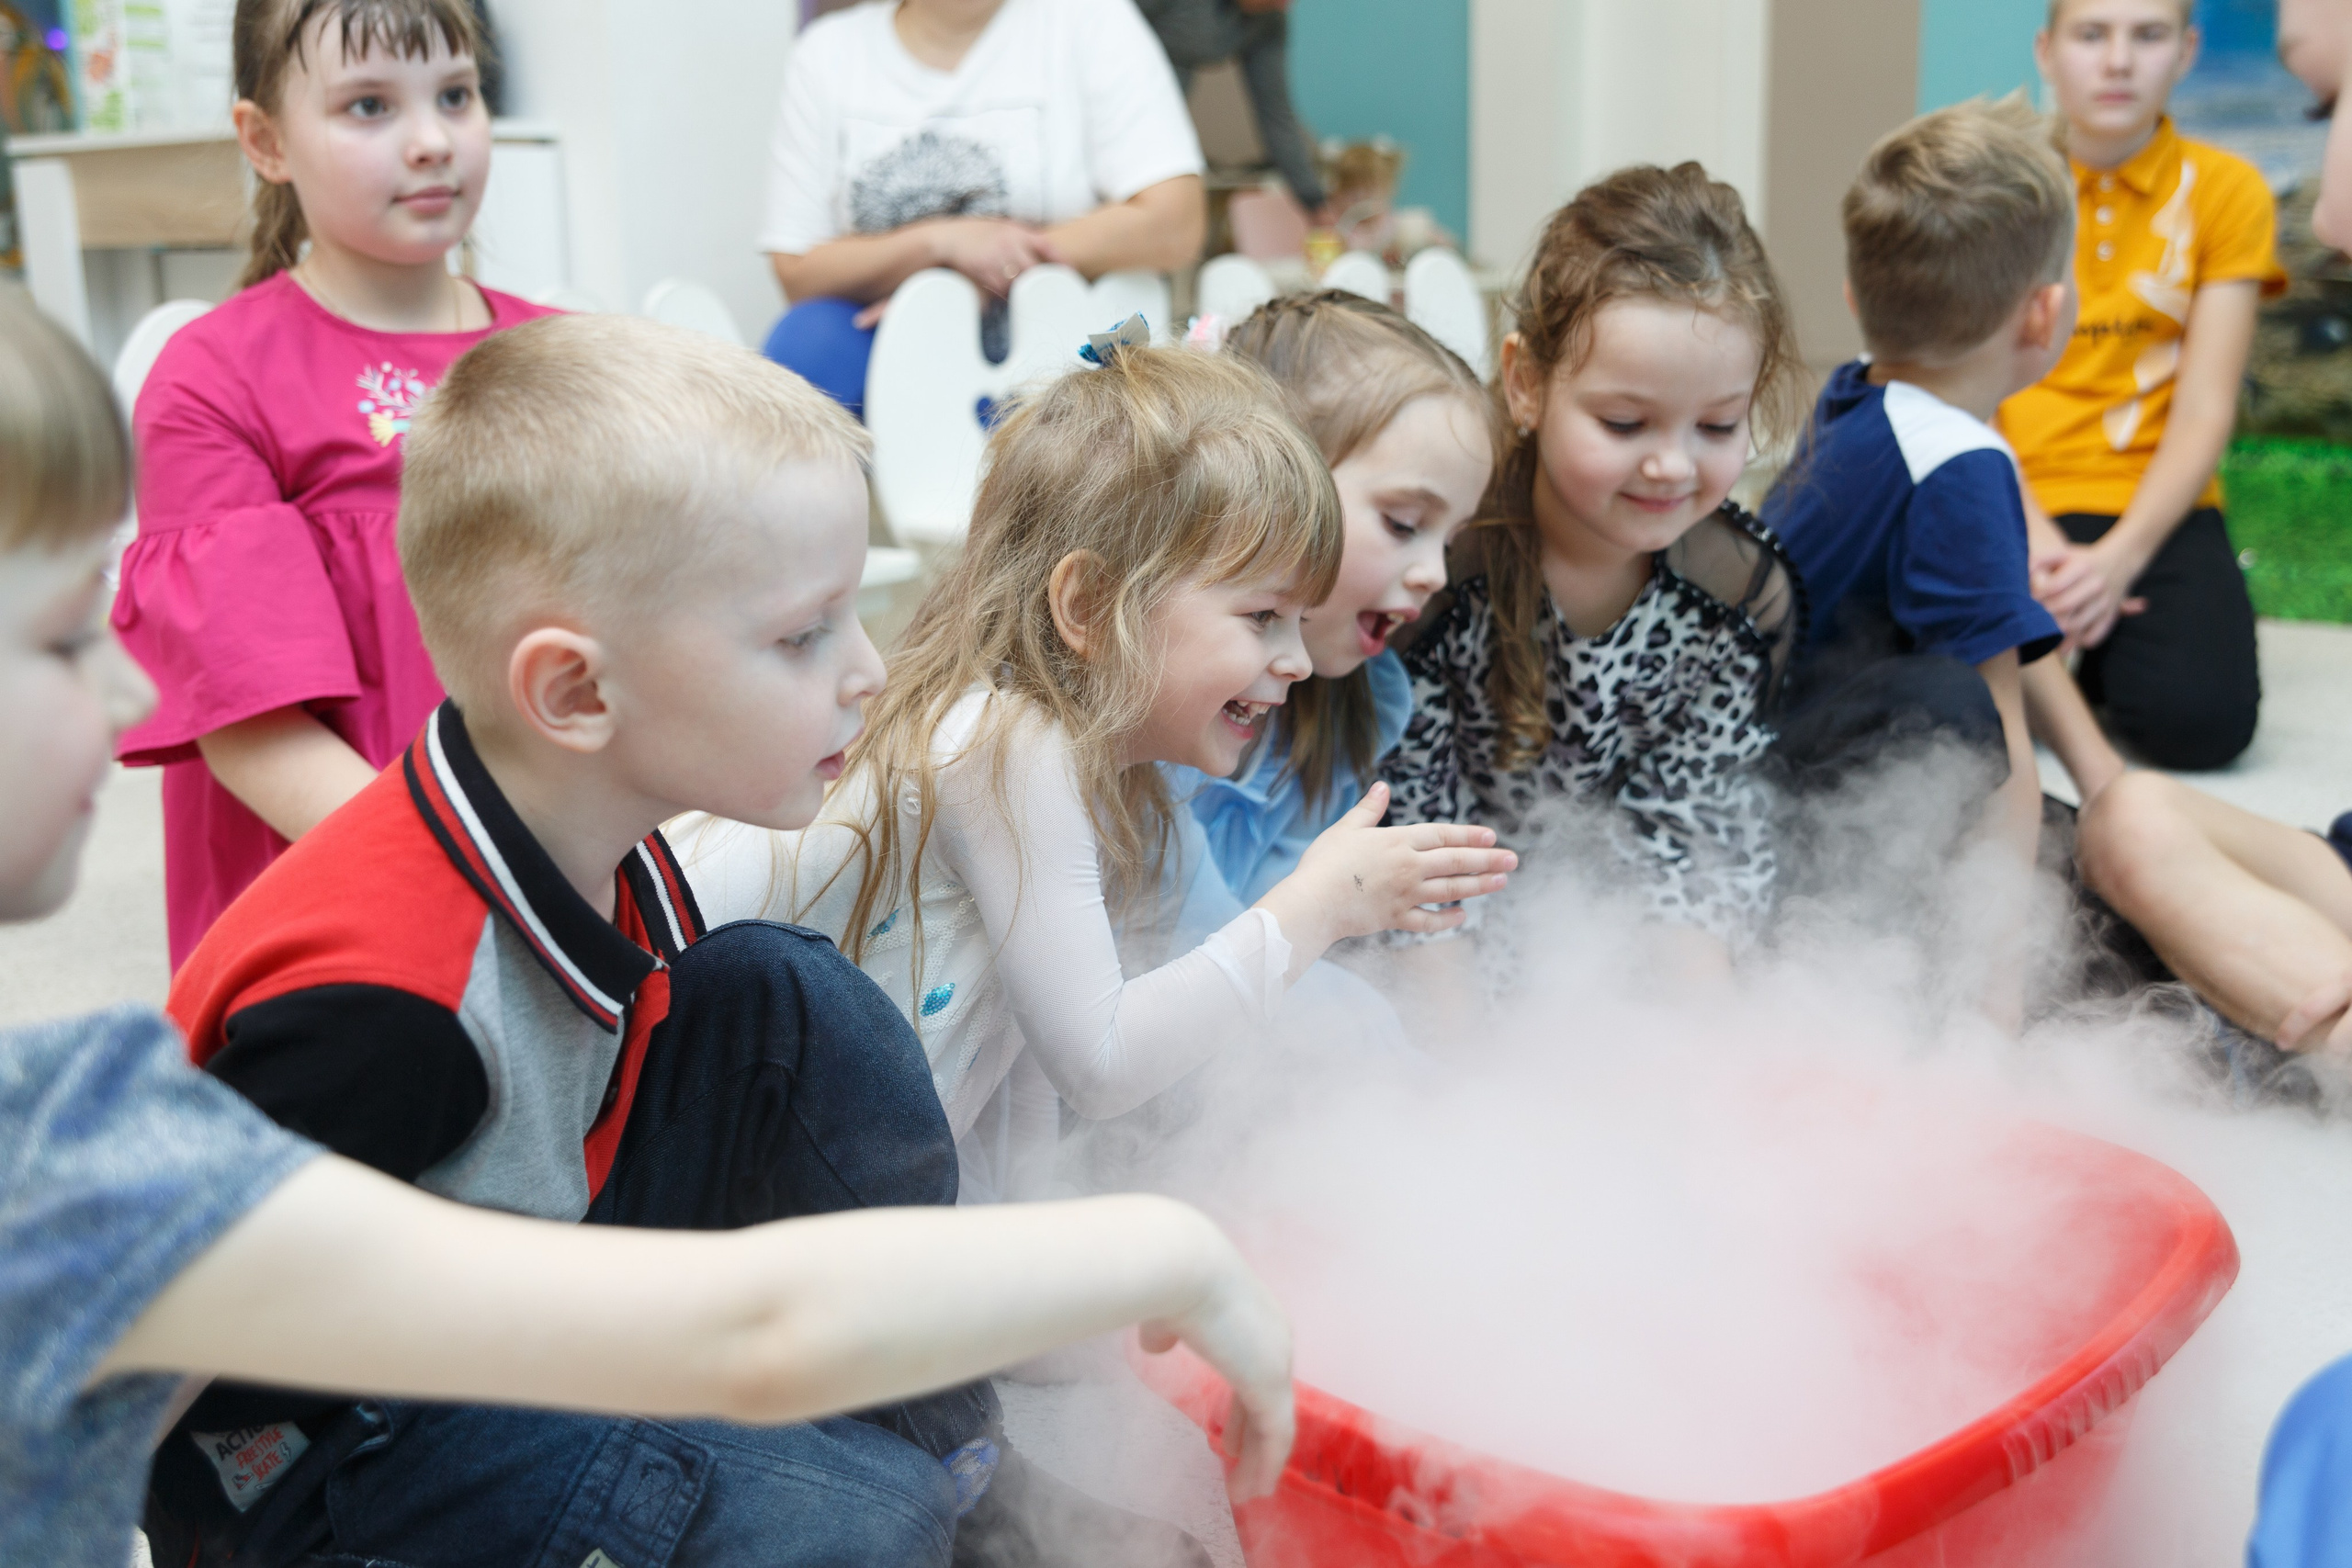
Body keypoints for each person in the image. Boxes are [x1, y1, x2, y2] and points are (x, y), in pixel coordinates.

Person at [0, 299, 1295, 1568]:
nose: (866, 670)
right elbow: (177, 1386)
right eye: (800, 634)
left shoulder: (603, 852)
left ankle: (963, 1473)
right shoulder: (381, 1009)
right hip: (338, 1458)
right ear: (575, 691)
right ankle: (902, 1496)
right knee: (846, 1512)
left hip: (512, 1278)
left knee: (784, 1000)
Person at [682, 344, 1515, 1207]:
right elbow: (1102, 1064)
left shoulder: (1108, 777)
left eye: (1299, 620)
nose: (1298, 659)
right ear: (1086, 606)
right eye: (1263, 615)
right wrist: (1318, 907)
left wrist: (1069, 1289)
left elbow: (1021, 1100)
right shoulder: (1004, 741)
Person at [107, 0, 559, 969]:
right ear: (265, 141)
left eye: (457, 93)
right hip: (343, 891)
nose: (434, 140)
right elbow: (252, 721)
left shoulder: (559, 355)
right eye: (369, 107)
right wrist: (466, 883)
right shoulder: (213, 377)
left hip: (560, 872)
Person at [1379, 164, 1807, 974]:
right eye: (1624, 422)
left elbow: (1692, 843)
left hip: (1631, 921)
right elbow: (1413, 844)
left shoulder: (1738, 599)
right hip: (1438, 917)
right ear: (1526, 384)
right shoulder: (1437, 572)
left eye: (1717, 426)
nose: (1672, 466)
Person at [1760, 100, 2129, 971]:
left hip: (1787, 759)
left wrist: (2103, 774)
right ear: (2045, 315)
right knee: (2101, 908)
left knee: (2103, 834)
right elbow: (2000, 752)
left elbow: (2011, 628)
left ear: (1858, 297)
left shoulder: (1858, 393)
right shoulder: (1962, 462)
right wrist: (1995, 1004)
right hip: (1821, 832)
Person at [2000, 0, 2288, 770]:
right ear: (2047, 50)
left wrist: (2118, 560)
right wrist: (2039, 548)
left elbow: (2205, 407)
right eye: (2092, 34)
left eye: (2148, 35)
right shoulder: (1995, 188)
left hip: (2155, 500)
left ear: (2187, 51)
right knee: (1943, 708)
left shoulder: (2230, 191)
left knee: (2200, 725)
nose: (2119, 60)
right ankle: (2084, 640)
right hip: (2005, 487)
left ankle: (2093, 645)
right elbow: (1963, 391)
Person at [1166, 291, 1495, 905]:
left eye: (1449, 540)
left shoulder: (1358, 706)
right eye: (1403, 522)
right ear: (1268, 480)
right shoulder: (1141, 708)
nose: (1435, 573)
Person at [760, 0, 1208, 415]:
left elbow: (1174, 223)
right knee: (809, 344)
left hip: (1057, 334)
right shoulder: (827, 53)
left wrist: (982, 271)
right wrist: (941, 244)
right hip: (890, 338)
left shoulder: (1092, 20)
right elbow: (797, 268)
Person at [1136, 0, 1327, 215]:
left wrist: (1315, 203)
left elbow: (1276, 114)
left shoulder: (1268, 20)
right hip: (1125, 79)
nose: (1284, 6)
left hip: (1170, 81)